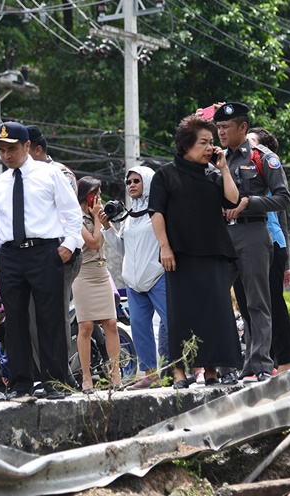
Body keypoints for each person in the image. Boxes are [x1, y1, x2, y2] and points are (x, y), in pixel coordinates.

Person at [0, 121, 83, 400]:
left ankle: (55, 382)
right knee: (14, 322)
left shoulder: (49, 174)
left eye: (12, 149)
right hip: (11, 255)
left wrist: (69, 245)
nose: (6, 155)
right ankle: (21, 383)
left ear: (27, 146)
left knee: (49, 319)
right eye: (2, 150)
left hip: (44, 251)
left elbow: (72, 212)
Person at [148, 114, 243, 389]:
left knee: (213, 313)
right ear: (186, 145)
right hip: (179, 255)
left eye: (212, 142)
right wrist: (165, 247)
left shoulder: (213, 175)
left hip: (212, 253)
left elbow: (233, 199)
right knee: (181, 313)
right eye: (204, 142)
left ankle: (211, 370)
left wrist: (224, 169)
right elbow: (157, 214)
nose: (210, 148)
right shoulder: (165, 175)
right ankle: (180, 372)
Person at [216, 102, 290, 383]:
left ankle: (259, 363)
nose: (220, 132)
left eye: (226, 127)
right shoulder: (218, 158)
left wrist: (250, 203)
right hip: (223, 235)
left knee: (257, 302)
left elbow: (283, 198)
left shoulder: (263, 157)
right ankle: (227, 366)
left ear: (243, 127)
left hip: (253, 233)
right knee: (218, 300)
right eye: (218, 127)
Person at [26, 124, 81, 392]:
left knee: (54, 315)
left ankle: (61, 376)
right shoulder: (25, 175)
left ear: (37, 149)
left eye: (23, 148)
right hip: (36, 256)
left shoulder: (58, 172)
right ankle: (53, 373)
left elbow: (69, 215)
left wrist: (66, 248)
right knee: (34, 317)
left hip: (60, 252)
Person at [103, 166, 167, 389]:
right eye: (128, 182)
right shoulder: (128, 218)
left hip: (158, 275)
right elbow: (122, 249)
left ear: (148, 182)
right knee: (139, 327)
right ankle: (151, 374)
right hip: (133, 281)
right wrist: (106, 227)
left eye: (136, 181)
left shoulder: (159, 212)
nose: (131, 185)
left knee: (169, 324)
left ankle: (170, 369)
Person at [246, 128, 290, 374]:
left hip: (272, 244)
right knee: (250, 306)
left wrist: (285, 261)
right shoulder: (241, 168)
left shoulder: (265, 170)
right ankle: (262, 361)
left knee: (273, 304)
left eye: (251, 143)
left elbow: (282, 222)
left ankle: (285, 360)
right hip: (246, 244)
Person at [71, 177, 123, 392]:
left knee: (111, 323)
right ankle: (86, 378)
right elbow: (92, 242)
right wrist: (95, 218)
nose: (98, 198)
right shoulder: (74, 216)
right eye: (94, 194)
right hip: (83, 273)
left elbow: (108, 240)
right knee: (86, 326)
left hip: (102, 271)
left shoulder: (99, 215)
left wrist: (104, 220)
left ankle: (116, 374)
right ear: (85, 195)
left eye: (99, 194)